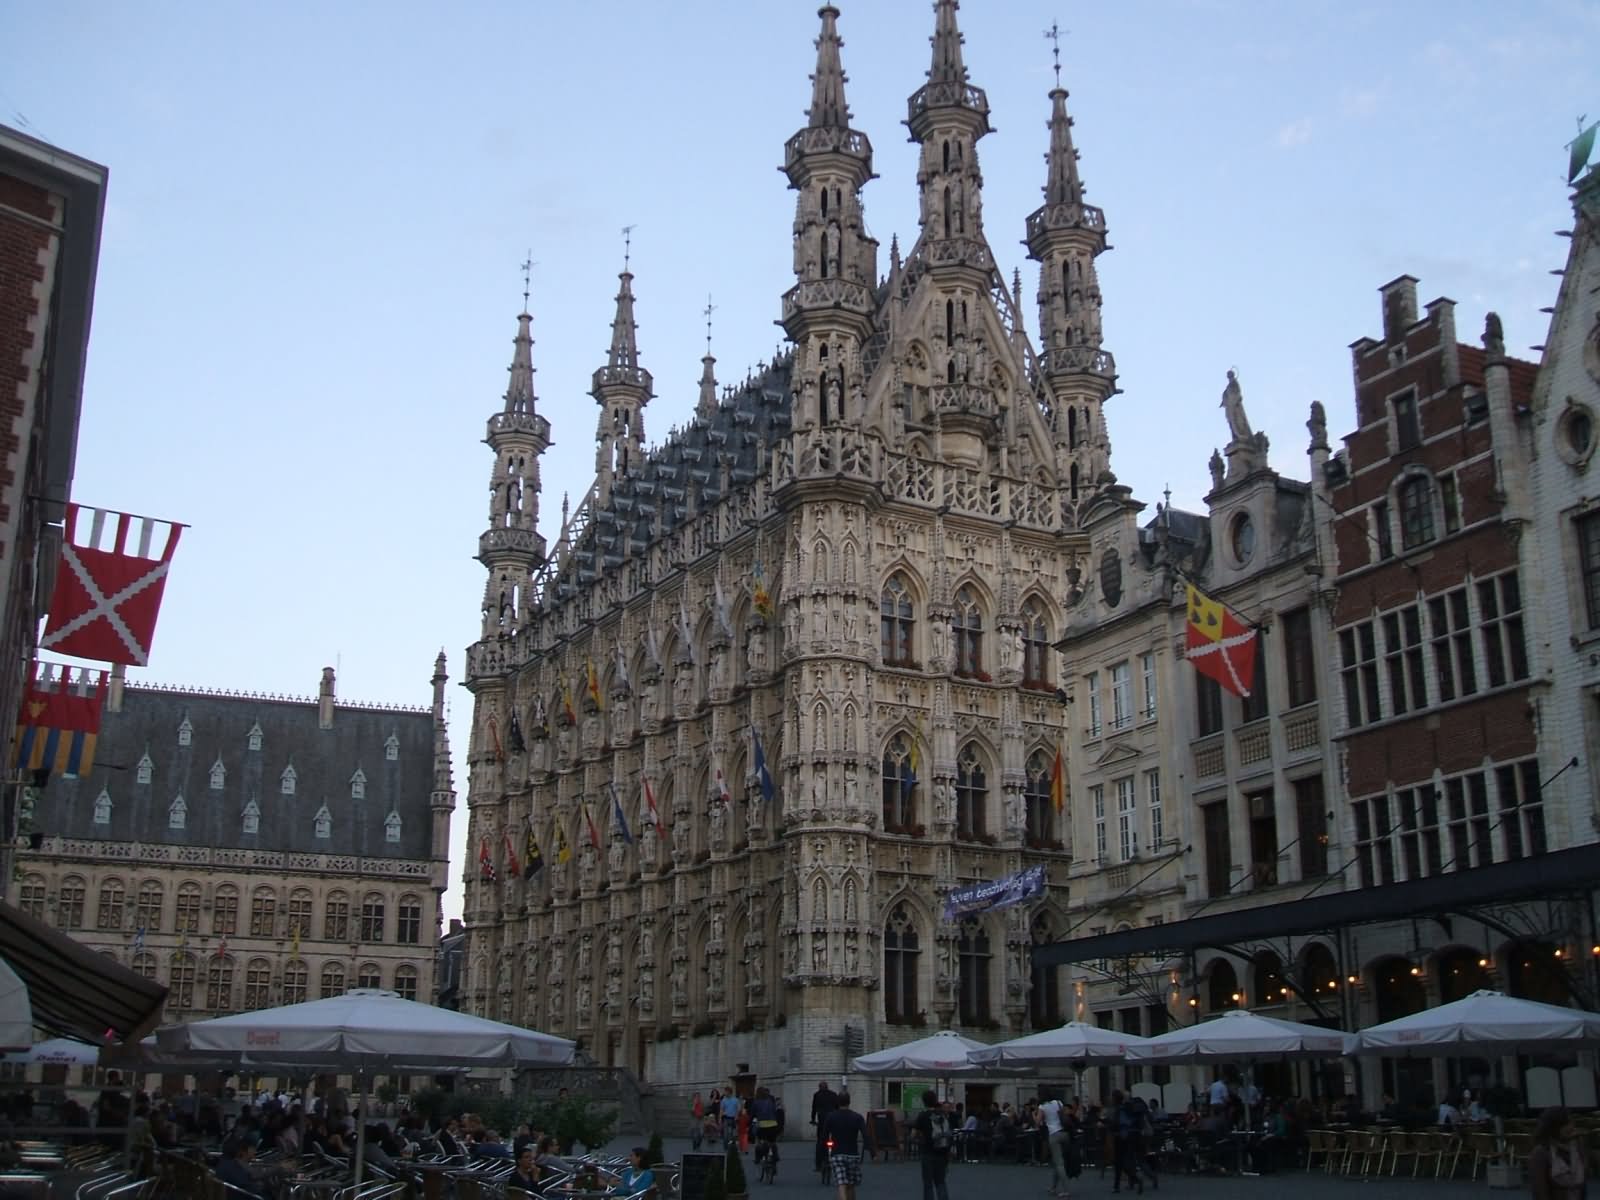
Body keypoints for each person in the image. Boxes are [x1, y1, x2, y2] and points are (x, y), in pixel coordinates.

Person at [1529, 1107, 1586, 1200]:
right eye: (1565, 1124)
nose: (1571, 1127)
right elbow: (1540, 1193)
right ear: (1553, 1127)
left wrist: (1580, 1144)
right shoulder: (1541, 1153)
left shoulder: (1575, 1147)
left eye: (1571, 1122)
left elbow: (1583, 1185)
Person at [823, 1091, 867, 1200]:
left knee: (841, 1184)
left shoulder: (831, 1116)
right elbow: (866, 1135)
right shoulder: (857, 1117)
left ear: (837, 1102)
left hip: (837, 1153)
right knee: (851, 1185)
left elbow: (824, 1136)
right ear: (849, 1102)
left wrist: (823, 1153)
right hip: (852, 1154)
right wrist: (873, 1153)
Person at [913, 1089, 953, 1200]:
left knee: (928, 1183)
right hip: (942, 1152)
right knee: (940, 1182)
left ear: (924, 1101)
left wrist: (920, 1136)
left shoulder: (923, 1116)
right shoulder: (942, 1115)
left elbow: (913, 1134)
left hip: (928, 1153)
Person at [1038, 1093, 1070, 1197]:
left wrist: (1035, 1115)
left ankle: (1066, 1190)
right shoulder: (1058, 1102)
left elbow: (1038, 1122)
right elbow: (1064, 1115)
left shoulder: (1042, 1107)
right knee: (1057, 1162)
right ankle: (1053, 1187)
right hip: (1064, 1133)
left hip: (1053, 1134)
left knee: (1059, 1163)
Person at [812, 1080, 839, 1176]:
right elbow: (837, 1108)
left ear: (820, 1087)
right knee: (835, 1140)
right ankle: (837, 1162)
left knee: (820, 1142)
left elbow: (814, 1108)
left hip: (822, 1122)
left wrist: (812, 1120)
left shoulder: (817, 1095)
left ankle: (818, 1164)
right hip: (833, 1121)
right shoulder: (833, 1094)